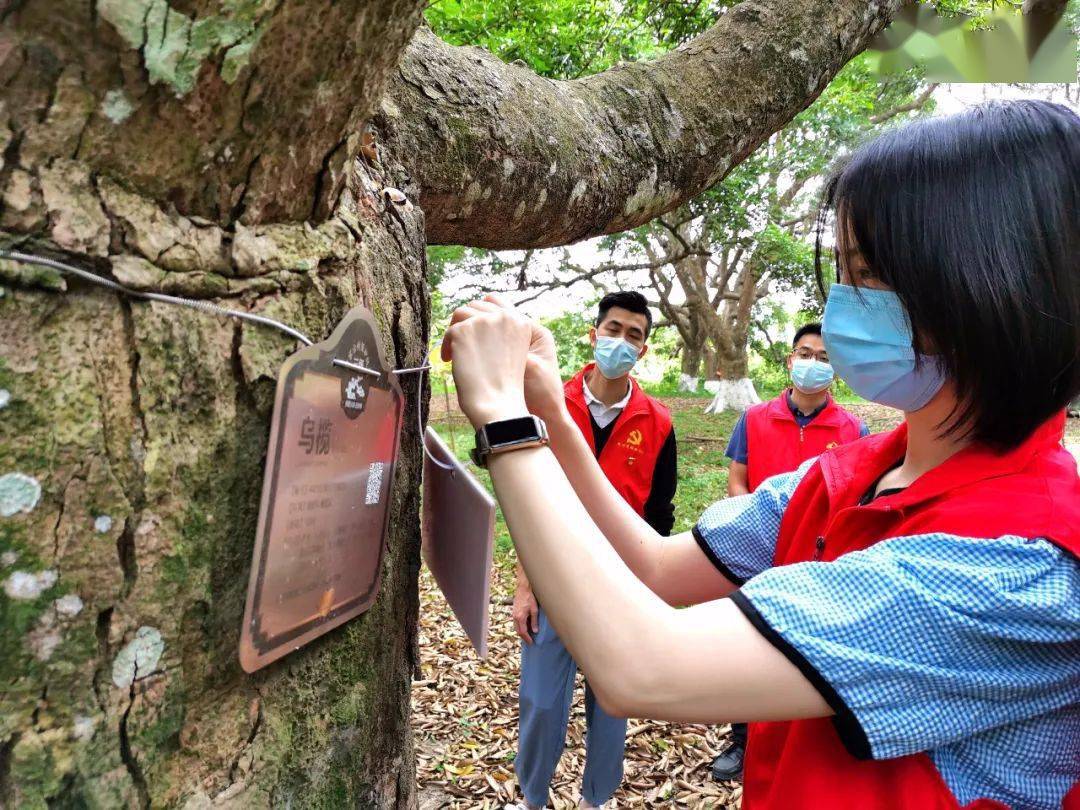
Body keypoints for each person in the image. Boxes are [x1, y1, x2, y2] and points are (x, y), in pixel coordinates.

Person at [443, 100, 1079, 810]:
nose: (842, 304)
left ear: (993, 292)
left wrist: (503, 419)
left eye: (871, 275)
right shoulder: (853, 475)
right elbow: (656, 568)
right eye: (844, 268)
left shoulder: (1024, 564)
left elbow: (642, 664)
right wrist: (548, 409)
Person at [509, 290, 677, 810]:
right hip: (554, 575)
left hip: (620, 585)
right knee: (539, 702)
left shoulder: (658, 422)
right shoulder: (546, 402)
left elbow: (661, 515)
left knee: (612, 701)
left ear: (644, 350)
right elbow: (522, 497)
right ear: (594, 333)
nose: (621, 342)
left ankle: (596, 798)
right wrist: (524, 584)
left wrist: (652, 594)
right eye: (614, 329)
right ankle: (533, 796)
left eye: (634, 335)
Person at [714, 322, 869, 780]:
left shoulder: (851, 428)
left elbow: (854, 496)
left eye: (824, 358)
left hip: (815, 559)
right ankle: (742, 741)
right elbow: (738, 479)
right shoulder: (756, 418)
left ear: (835, 371)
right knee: (749, 646)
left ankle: (793, 746)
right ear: (789, 359)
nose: (812, 364)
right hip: (758, 552)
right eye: (805, 353)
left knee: (802, 652)